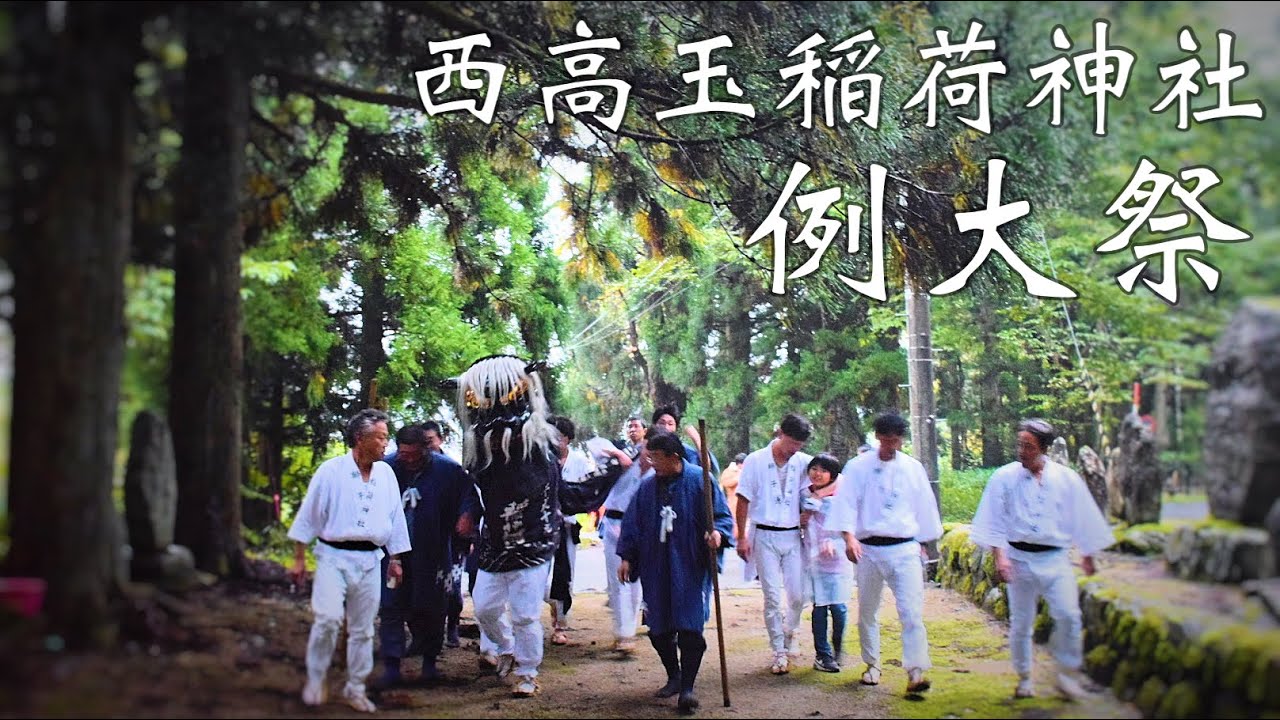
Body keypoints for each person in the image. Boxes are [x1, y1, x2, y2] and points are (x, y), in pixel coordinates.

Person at [456, 355, 624, 698]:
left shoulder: (539, 446)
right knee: (484, 606)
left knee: (524, 614)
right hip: (495, 543)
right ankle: (506, 648)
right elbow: (474, 489)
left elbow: (566, 493)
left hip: (534, 540)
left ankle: (528, 672)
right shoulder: (480, 452)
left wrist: (615, 469)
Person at [969, 419, 1114, 701]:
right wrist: (1001, 557)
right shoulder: (1003, 477)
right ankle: (1024, 678)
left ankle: (1067, 676)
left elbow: (1081, 516)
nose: (1021, 451)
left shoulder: (1066, 478)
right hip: (1018, 557)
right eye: (1019, 444)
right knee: (1022, 622)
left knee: (1069, 616)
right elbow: (994, 520)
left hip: (1055, 557)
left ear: (1044, 449)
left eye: (1029, 446)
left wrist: (1087, 553)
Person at [287, 409, 410, 713]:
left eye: (385, 436)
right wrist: (299, 559)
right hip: (332, 556)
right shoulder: (331, 471)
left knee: (364, 629)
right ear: (360, 438)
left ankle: (355, 687)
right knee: (327, 620)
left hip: (371, 559)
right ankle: (316, 680)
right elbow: (309, 515)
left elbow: (395, 518)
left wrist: (396, 558)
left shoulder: (386, 474)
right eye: (380, 437)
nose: (385, 443)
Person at [618, 430, 734, 715]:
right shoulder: (647, 488)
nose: (652, 463)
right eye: (649, 457)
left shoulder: (699, 480)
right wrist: (626, 557)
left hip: (690, 564)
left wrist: (717, 534)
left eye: (656, 458)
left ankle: (688, 689)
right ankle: (674, 675)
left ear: (674, 458)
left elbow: (720, 516)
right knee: (658, 628)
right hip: (656, 564)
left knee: (690, 626)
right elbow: (633, 523)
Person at [836, 411, 943, 694]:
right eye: (884, 440)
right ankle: (872, 664)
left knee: (911, 612)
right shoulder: (857, 467)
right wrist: (848, 537)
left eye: (894, 441)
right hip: (868, 547)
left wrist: (924, 541)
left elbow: (925, 507)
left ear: (901, 440)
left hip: (904, 547)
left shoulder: (912, 468)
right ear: (877, 437)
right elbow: (845, 503)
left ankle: (916, 671)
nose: (889, 446)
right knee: (868, 610)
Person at [735, 413, 814, 675]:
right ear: (780, 433)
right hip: (765, 534)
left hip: (793, 534)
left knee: (798, 595)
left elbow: (820, 487)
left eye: (799, 445)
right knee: (771, 595)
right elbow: (743, 499)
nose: (794, 449)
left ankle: (791, 631)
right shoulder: (756, 460)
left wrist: (809, 511)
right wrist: (742, 536)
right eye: (792, 442)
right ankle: (778, 650)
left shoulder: (803, 463)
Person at [545, 415, 598, 645]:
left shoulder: (580, 463)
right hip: (543, 528)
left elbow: (585, 497)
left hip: (567, 528)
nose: (554, 441)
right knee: (541, 577)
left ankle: (560, 624)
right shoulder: (542, 462)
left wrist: (571, 513)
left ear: (567, 438)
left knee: (565, 576)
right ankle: (551, 606)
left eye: (558, 436)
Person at [598, 428, 652, 655]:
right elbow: (595, 445)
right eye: (648, 447)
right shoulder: (624, 458)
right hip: (614, 523)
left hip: (640, 526)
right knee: (617, 579)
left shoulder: (657, 474)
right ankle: (623, 632)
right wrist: (618, 454)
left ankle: (628, 630)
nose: (649, 454)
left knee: (635, 581)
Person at [800, 453, 853, 674]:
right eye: (814, 468)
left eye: (823, 470)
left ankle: (838, 647)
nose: (817, 474)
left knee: (839, 606)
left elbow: (848, 522)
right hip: (813, 558)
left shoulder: (843, 494)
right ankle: (823, 653)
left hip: (837, 557)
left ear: (832, 474)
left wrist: (833, 540)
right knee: (819, 606)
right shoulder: (804, 494)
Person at [652, 404, 721, 476]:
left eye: (670, 424)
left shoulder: (684, 451)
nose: (666, 427)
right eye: (662, 423)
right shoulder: (644, 448)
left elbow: (705, 470)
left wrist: (696, 438)